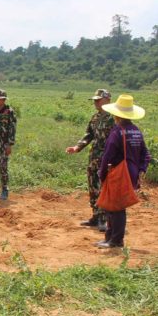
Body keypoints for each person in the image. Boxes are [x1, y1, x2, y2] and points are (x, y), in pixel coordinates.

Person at [96, 94, 150, 249]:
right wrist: (141, 170)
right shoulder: (136, 131)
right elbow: (146, 154)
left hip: (119, 173)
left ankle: (116, 241)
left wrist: (102, 173)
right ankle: (109, 238)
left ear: (116, 115)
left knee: (116, 208)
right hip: (131, 173)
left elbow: (108, 155)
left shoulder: (117, 132)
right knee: (113, 206)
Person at [65, 89, 114, 232]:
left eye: (98, 99)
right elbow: (89, 135)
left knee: (104, 188)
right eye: (95, 100)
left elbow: (119, 140)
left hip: (107, 159)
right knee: (93, 186)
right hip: (94, 158)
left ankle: (104, 218)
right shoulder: (95, 117)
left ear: (107, 99)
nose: (95, 102)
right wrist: (77, 147)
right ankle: (95, 216)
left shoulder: (114, 118)